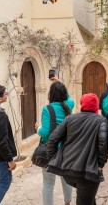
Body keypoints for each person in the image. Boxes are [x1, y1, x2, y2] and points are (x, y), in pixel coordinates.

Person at [46, 93, 108, 205]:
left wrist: (54, 160)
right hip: (86, 173)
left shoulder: (70, 118)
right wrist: (100, 164)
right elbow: (103, 142)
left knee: (88, 198)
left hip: (68, 172)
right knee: (85, 200)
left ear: (82, 105)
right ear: (96, 106)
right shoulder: (101, 120)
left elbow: (52, 139)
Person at [35, 77, 73, 205]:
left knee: (48, 183)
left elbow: (45, 132)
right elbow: (69, 97)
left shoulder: (47, 109)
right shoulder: (69, 105)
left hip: (50, 150)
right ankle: (67, 203)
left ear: (50, 94)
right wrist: (58, 82)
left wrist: (38, 128)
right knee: (66, 179)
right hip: (66, 149)